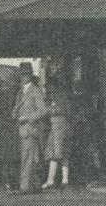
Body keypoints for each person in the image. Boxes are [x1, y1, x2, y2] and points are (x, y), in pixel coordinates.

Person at [11, 62, 50, 193]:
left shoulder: (35, 91)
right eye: (22, 75)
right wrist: (15, 112)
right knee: (30, 158)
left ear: (29, 76)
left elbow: (43, 110)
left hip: (30, 129)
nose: (23, 77)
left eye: (25, 75)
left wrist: (28, 117)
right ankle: (34, 185)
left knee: (28, 158)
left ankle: (25, 187)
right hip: (22, 129)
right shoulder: (21, 91)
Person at [42, 75, 73, 189]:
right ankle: (62, 180)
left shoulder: (58, 97)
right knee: (60, 154)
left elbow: (63, 109)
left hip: (59, 127)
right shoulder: (55, 97)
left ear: (53, 86)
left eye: (48, 86)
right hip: (60, 128)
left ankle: (54, 181)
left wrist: (49, 110)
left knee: (57, 154)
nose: (47, 89)